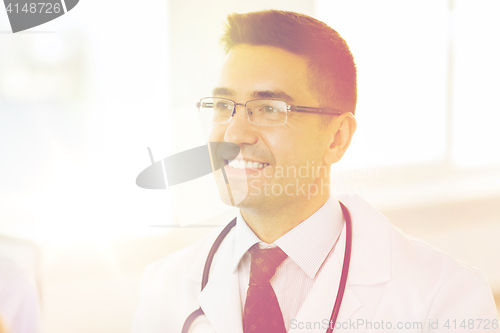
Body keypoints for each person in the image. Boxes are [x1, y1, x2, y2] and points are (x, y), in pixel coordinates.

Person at [132, 10, 499, 333]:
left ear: (336, 138)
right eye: (223, 105)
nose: (234, 134)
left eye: (270, 108)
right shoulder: (163, 288)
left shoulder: (446, 298)